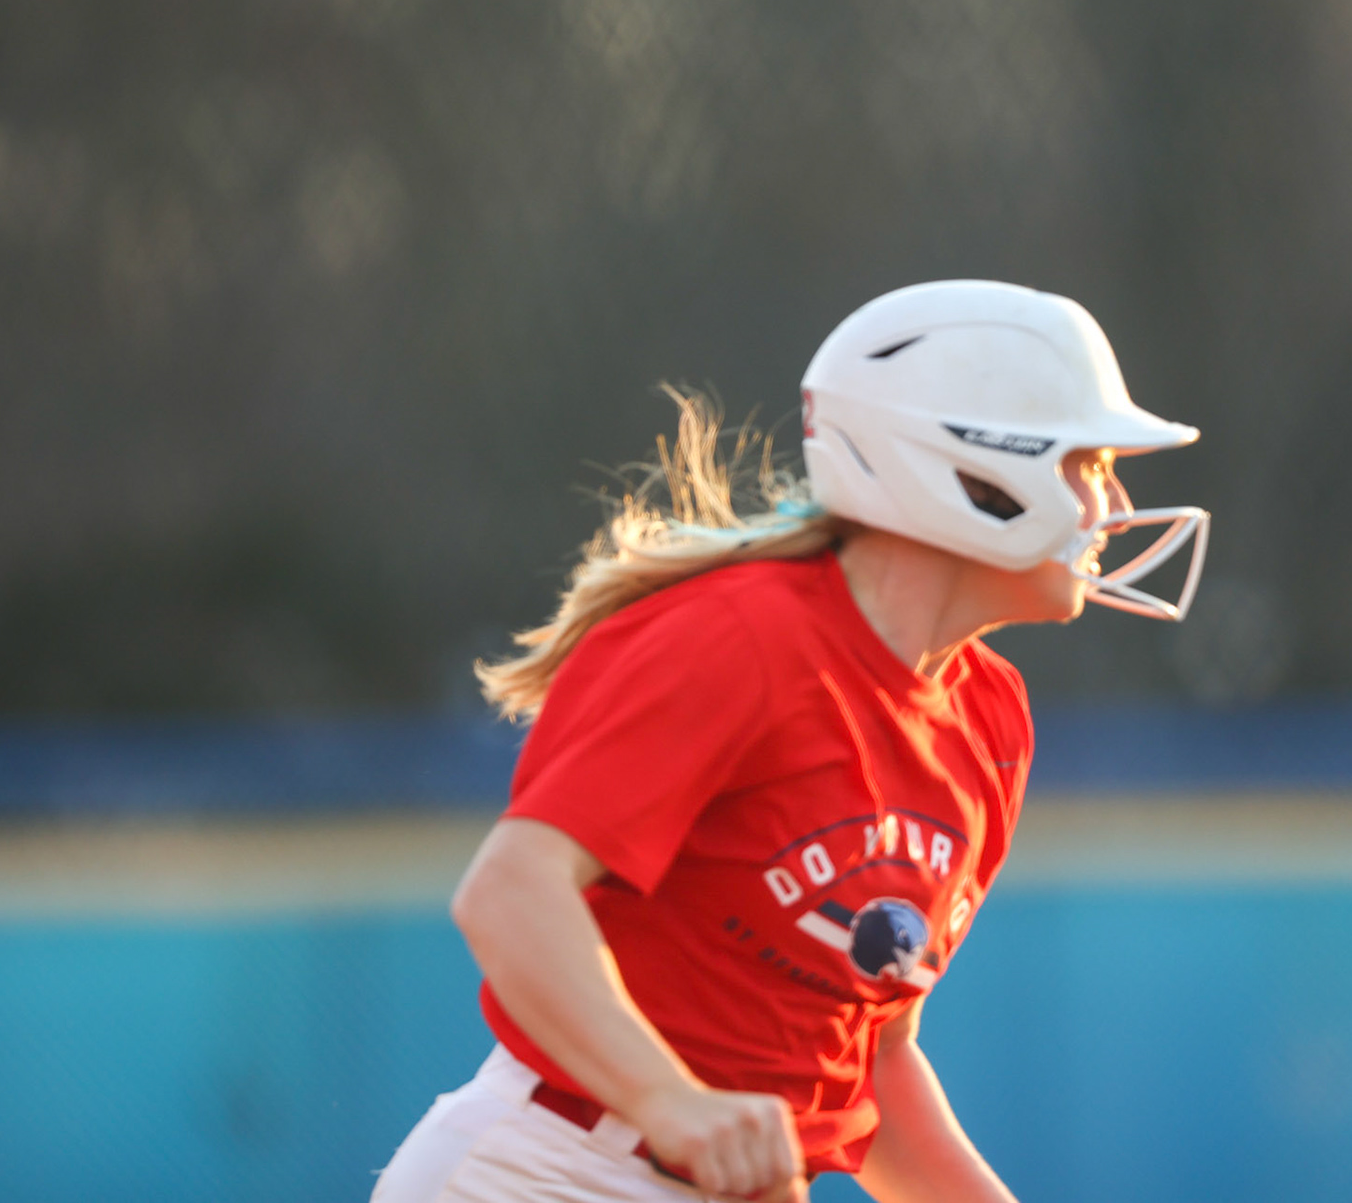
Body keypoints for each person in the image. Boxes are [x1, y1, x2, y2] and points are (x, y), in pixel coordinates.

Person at [371, 279, 1209, 1202]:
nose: (1113, 499)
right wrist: (671, 1101)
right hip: (552, 1171)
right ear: (970, 468)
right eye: (1086, 462)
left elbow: (876, 1065)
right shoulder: (744, 639)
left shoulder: (989, 716)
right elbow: (508, 894)